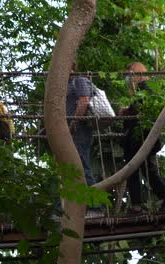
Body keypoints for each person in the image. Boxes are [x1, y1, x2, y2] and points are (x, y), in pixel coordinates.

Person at [120, 62, 165, 213]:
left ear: (136, 73)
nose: (128, 79)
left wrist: (126, 111)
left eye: (129, 74)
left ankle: (138, 205)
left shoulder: (145, 88)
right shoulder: (144, 90)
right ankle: (164, 198)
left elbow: (141, 110)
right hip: (142, 138)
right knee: (147, 169)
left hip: (140, 137)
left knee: (133, 170)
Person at [66, 62, 102, 218]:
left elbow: (84, 101)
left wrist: (73, 123)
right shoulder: (66, 85)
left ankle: (96, 208)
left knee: (82, 165)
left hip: (79, 129)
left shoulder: (79, 80)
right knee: (71, 169)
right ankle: (66, 210)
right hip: (72, 130)